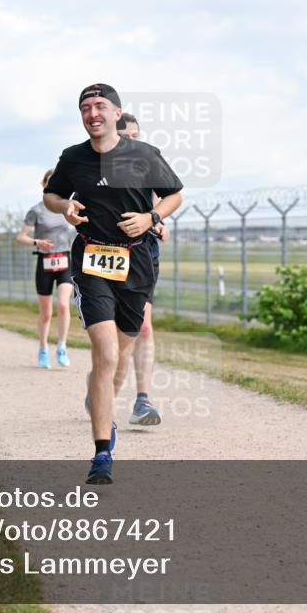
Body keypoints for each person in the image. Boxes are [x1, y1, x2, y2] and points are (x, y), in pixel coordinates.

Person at [43, 83, 183, 484]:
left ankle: (105, 405)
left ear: (116, 113)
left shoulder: (144, 154)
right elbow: (52, 195)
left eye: (100, 106)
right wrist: (65, 206)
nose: (93, 113)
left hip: (136, 262)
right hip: (92, 260)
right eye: (86, 107)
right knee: (105, 355)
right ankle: (102, 452)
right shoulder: (73, 157)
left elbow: (174, 195)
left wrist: (151, 218)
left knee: (121, 354)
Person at [117, 113, 169, 426]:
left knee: (143, 327)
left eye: (137, 136)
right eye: (127, 137)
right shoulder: (98, 168)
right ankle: (103, 383)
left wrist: (158, 222)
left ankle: (142, 400)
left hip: (144, 251)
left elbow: (163, 200)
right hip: (109, 253)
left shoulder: (148, 163)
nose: (134, 142)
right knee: (114, 332)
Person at [17, 169, 76, 369]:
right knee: (46, 314)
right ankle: (43, 348)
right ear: (43, 185)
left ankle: (62, 346)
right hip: (45, 262)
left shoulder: (67, 207)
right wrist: (37, 242)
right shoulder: (36, 210)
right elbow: (21, 237)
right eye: (48, 182)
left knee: (64, 305)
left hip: (64, 260)